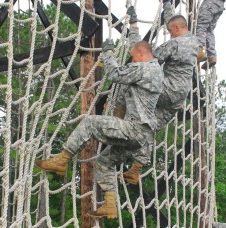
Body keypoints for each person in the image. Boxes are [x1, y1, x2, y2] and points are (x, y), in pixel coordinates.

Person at [35, 39, 164, 219]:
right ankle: (110, 204)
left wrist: (108, 52)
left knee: (89, 123)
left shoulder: (145, 68)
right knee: (104, 161)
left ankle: (62, 160)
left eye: (134, 58)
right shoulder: (157, 71)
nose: (133, 61)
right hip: (141, 137)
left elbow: (114, 74)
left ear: (142, 54)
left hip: (134, 129)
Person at [121, 2, 199, 185]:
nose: (170, 34)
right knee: (148, 124)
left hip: (167, 90)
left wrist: (134, 28)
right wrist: (168, 5)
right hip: (178, 100)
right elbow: (173, 22)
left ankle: (117, 108)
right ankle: (136, 168)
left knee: (136, 79)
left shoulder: (175, 44)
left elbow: (147, 58)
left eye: (171, 31)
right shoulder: (194, 41)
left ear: (178, 29)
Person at [196, 0, 226, 70]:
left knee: (201, 25)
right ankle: (212, 56)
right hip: (220, 5)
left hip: (210, 3)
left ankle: (199, 50)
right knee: (209, 31)